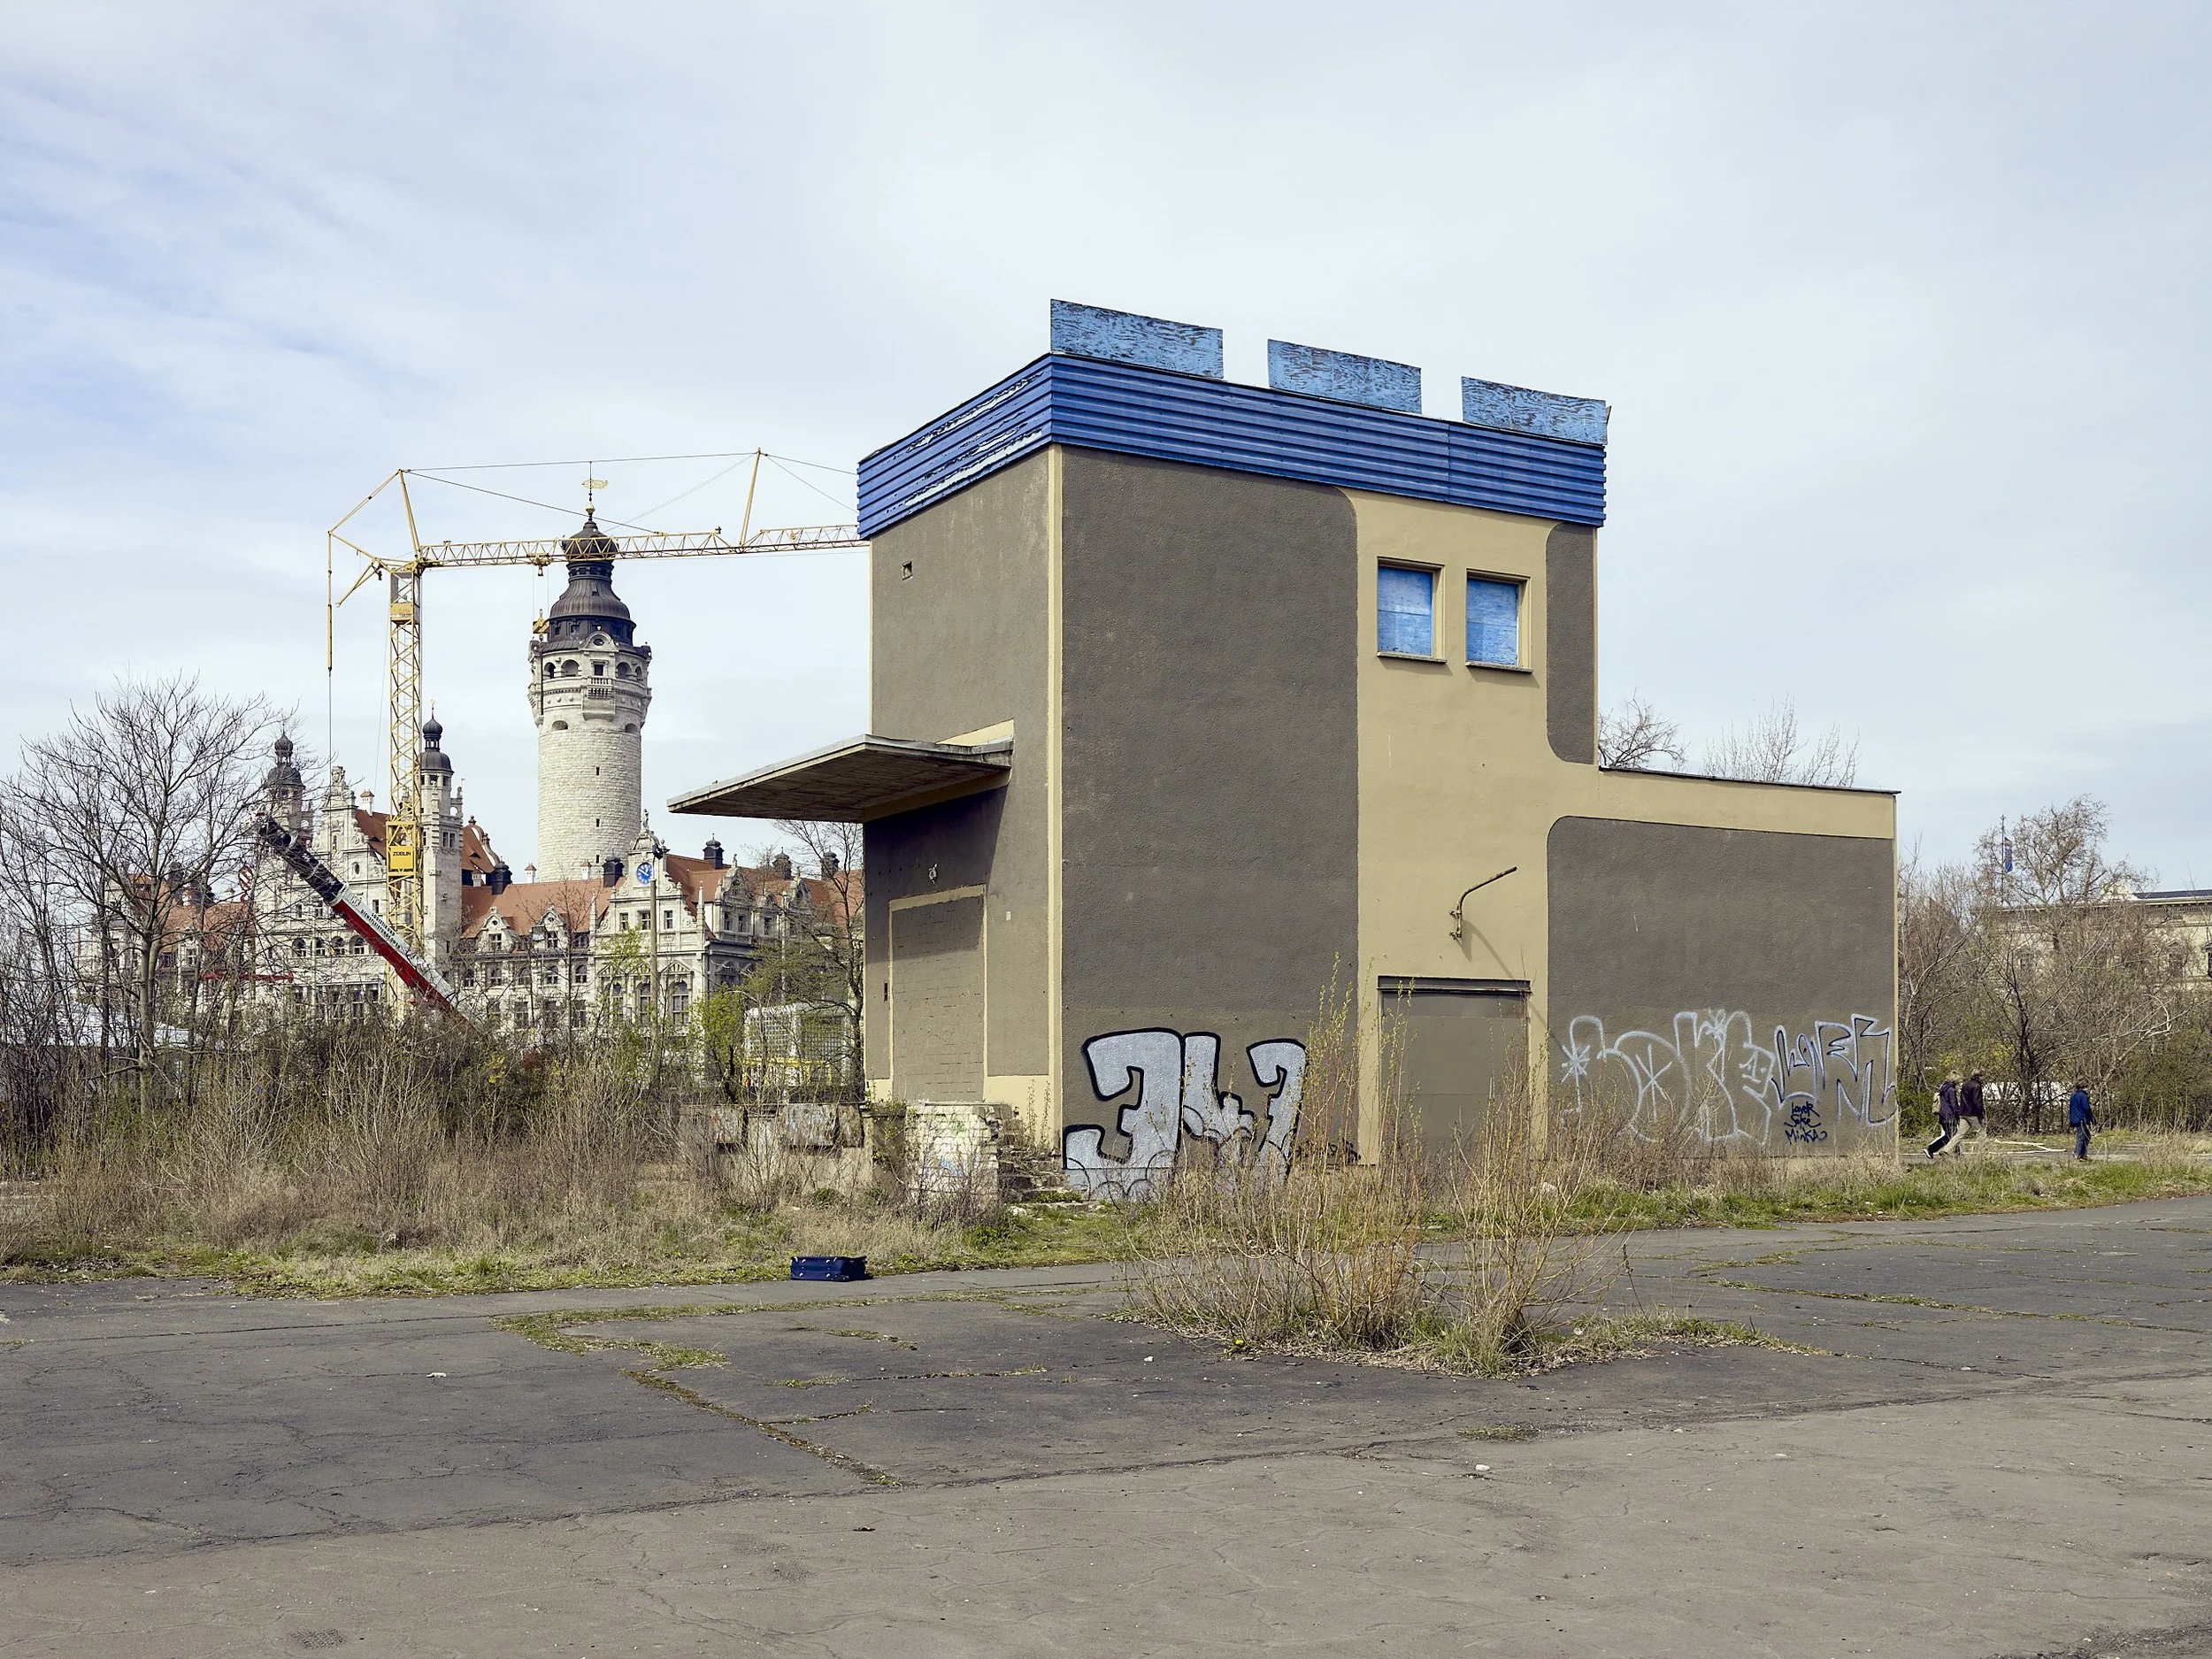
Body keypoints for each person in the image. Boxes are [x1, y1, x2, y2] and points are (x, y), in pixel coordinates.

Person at [1953, 1069, 1990, 1155]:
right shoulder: (1977, 1086)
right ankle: (1984, 1153)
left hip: (1963, 1112)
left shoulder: (1966, 1085)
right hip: (1972, 1113)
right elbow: (1977, 1103)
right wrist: (1980, 1116)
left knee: (1960, 1134)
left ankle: (1947, 1149)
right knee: (1981, 1133)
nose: (1984, 1078)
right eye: (1983, 1076)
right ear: (1979, 1076)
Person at [1928, 1072, 1962, 1159]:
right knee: (1954, 1137)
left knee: (1950, 1136)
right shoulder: (1951, 1090)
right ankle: (1931, 1149)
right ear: (1955, 1079)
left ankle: (1956, 1156)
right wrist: (1958, 1114)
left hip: (1942, 1115)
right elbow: (1954, 1105)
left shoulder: (1943, 1088)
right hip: (1950, 1116)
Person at [2069, 1081, 2095, 1160]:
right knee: (2082, 1136)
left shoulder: (2074, 1096)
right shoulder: (2083, 1096)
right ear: (2084, 1087)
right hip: (2081, 1119)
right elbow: (2086, 1108)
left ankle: (2082, 1154)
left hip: (2074, 1119)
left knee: (2086, 1136)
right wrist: (2091, 1119)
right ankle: (2078, 1154)